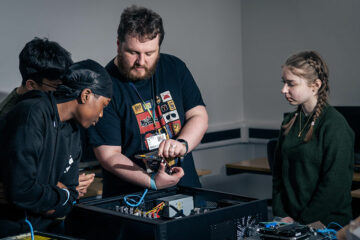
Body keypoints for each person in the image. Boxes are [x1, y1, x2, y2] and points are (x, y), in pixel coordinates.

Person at [88, 5, 208, 197]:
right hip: (132, 197)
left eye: (150, 53)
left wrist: (183, 144)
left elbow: (198, 114)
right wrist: (152, 181)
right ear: (118, 44)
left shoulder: (175, 68)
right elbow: (108, 155)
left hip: (186, 188)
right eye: (133, 52)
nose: (141, 61)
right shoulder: (104, 85)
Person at [0, 59, 112, 237]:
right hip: (12, 230)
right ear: (86, 95)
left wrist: (53, 190)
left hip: (47, 230)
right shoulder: (31, 113)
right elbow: (21, 191)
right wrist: (60, 191)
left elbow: (71, 195)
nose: (101, 114)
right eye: (103, 105)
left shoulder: (74, 129)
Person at [0, 38, 94, 197]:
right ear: (31, 85)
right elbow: (20, 181)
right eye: (57, 87)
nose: (64, 94)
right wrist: (63, 190)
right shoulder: (11, 120)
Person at [272, 50, 354, 226]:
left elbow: (334, 186)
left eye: (291, 84)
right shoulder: (289, 122)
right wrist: (281, 215)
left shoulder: (335, 126)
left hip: (326, 223)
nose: (283, 90)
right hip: (290, 222)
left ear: (315, 85)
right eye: (284, 83)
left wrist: (302, 222)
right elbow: (278, 176)